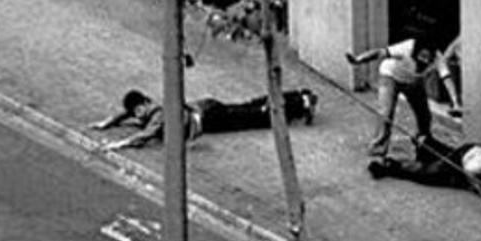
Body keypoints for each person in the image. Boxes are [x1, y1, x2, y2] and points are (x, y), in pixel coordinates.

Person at [346, 34, 461, 163]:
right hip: (390, 76)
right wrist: (359, 60)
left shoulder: (438, 58)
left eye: (427, 58)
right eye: (421, 56)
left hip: (414, 81)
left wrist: (455, 102)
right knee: (386, 112)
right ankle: (378, 148)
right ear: (415, 52)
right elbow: (380, 52)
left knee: (424, 116)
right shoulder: (407, 47)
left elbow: (447, 79)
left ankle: (423, 144)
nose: (424, 61)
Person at [91, 88, 318, 151]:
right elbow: (125, 116)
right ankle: (296, 97)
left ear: (143, 105)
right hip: (207, 110)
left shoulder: (159, 115)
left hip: (209, 119)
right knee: (250, 107)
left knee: (254, 116)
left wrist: (119, 144)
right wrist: (107, 123)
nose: (135, 116)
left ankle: (299, 104)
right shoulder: (150, 110)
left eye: (137, 111)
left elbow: (146, 134)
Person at [368, 135, 481, 201]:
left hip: (475, 149)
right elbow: (469, 171)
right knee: (429, 173)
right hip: (463, 160)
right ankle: (391, 166)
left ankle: (426, 143)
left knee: (443, 156)